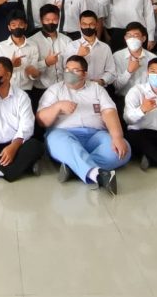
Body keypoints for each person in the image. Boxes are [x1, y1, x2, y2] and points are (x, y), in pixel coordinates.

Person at [36, 55, 130, 195]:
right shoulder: (54, 90)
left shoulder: (97, 89)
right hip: (63, 134)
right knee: (60, 143)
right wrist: (57, 107)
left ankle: (74, 168)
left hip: (95, 135)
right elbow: (41, 120)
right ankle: (96, 173)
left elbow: (109, 112)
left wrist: (117, 137)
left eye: (75, 70)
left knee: (123, 149)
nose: (69, 73)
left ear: (85, 74)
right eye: (67, 69)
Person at [28, 4, 73, 100]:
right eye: (47, 20)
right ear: (41, 20)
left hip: (63, 88)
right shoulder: (32, 41)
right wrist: (46, 63)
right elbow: (30, 70)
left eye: (54, 19)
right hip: (41, 90)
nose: (51, 22)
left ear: (59, 19)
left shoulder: (67, 40)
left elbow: (70, 65)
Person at [0, 11, 44, 96]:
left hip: (27, 90)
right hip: (7, 89)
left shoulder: (33, 46)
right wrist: (11, 65)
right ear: (9, 27)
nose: (17, 27)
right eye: (13, 25)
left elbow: (34, 72)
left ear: (25, 26)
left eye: (20, 24)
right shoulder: (1, 46)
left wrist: (34, 73)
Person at [66, 11, 115, 87]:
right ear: (79, 25)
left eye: (91, 24)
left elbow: (111, 72)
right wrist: (79, 56)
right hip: (76, 88)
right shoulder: (71, 46)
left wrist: (102, 81)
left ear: (96, 25)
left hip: (99, 88)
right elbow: (66, 71)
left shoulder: (105, 48)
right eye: (84, 24)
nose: (88, 27)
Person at [112, 21, 156, 96]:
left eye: (136, 35)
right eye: (129, 36)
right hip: (123, 97)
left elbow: (155, 84)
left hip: (146, 97)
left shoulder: (153, 58)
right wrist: (129, 71)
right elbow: (116, 86)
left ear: (143, 38)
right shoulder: (117, 56)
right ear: (125, 38)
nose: (132, 39)